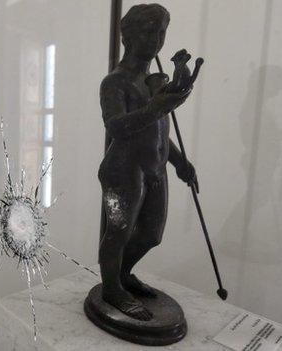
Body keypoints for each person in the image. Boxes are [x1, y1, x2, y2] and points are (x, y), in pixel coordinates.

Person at [98, 4, 197, 321]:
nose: (156, 39)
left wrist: (180, 162)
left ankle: (123, 275)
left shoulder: (152, 81)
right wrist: (156, 107)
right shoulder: (115, 82)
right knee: (118, 232)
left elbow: (158, 131)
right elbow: (115, 128)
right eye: (148, 31)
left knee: (152, 234)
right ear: (127, 35)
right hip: (123, 171)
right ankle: (111, 288)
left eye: (161, 32)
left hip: (154, 167)